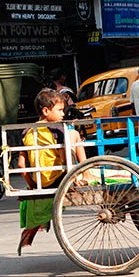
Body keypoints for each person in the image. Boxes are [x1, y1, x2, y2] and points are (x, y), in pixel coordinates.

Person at [17, 89, 88, 255]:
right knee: (75, 134)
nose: (63, 114)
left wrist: (33, 185)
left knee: (72, 134)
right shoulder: (57, 130)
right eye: (60, 110)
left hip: (40, 180)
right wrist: (74, 177)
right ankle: (86, 172)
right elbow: (64, 161)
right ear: (46, 111)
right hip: (58, 178)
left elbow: (21, 165)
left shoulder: (26, 132)